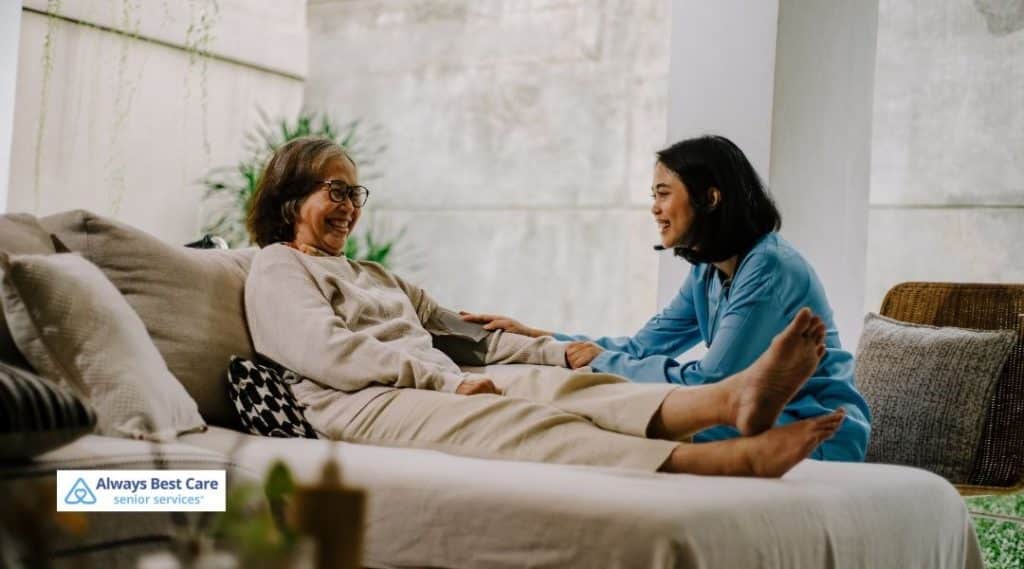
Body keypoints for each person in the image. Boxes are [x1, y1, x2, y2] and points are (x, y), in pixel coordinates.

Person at [243, 135, 845, 478]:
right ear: (290, 199)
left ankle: (731, 401)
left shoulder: (374, 275)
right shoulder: (277, 265)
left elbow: (465, 335)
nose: (351, 205)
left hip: (431, 383)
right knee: (515, 418)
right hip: (363, 399)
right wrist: (447, 383)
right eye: (337, 191)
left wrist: (552, 353)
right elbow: (331, 352)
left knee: (559, 386)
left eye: (356, 193)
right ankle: (712, 459)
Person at [461, 135, 871, 461]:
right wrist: (542, 339)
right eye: (653, 196)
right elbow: (642, 349)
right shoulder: (708, 271)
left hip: (821, 432)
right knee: (609, 401)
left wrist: (599, 362)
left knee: (627, 410)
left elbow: (709, 383)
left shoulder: (769, 267)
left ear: (710, 198)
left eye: (663, 193)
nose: (654, 209)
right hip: (757, 417)